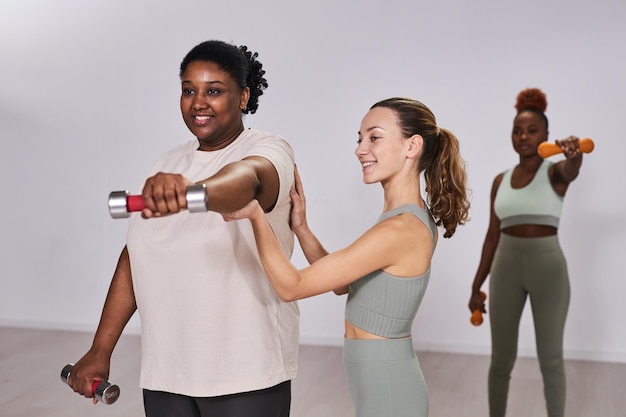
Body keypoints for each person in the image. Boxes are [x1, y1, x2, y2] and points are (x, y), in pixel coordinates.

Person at [67, 40, 299, 417]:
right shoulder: (169, 161)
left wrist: (193, 193)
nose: (198, 102)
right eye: (189, 90)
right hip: (166, 373)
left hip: (245, 373)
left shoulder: (270, 150)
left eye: (214, 91)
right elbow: (136, 256)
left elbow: (245, 181)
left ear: (243, 97)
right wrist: (100, 349)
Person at [223, 97, 470, 417]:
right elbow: (344, 284)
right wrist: (302, 229)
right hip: (381, 378)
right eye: (360, 138)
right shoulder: (403, 219)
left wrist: (256, 216)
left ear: (412, 146)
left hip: (390, 386)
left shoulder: (400, 230)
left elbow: (291, 287)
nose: (360, 149)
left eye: (374, 137)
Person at [468, 88, 584, 417]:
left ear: (546, 134)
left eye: (532, 130)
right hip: (506, 269)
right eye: (517, 130)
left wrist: (574, 154)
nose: (523, 136)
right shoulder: (499, 181)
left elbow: (571, 169)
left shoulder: (554, 172)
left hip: (548, 271)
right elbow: (492, 236)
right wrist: (476, 286)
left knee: (551, 359)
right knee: (500, 360)